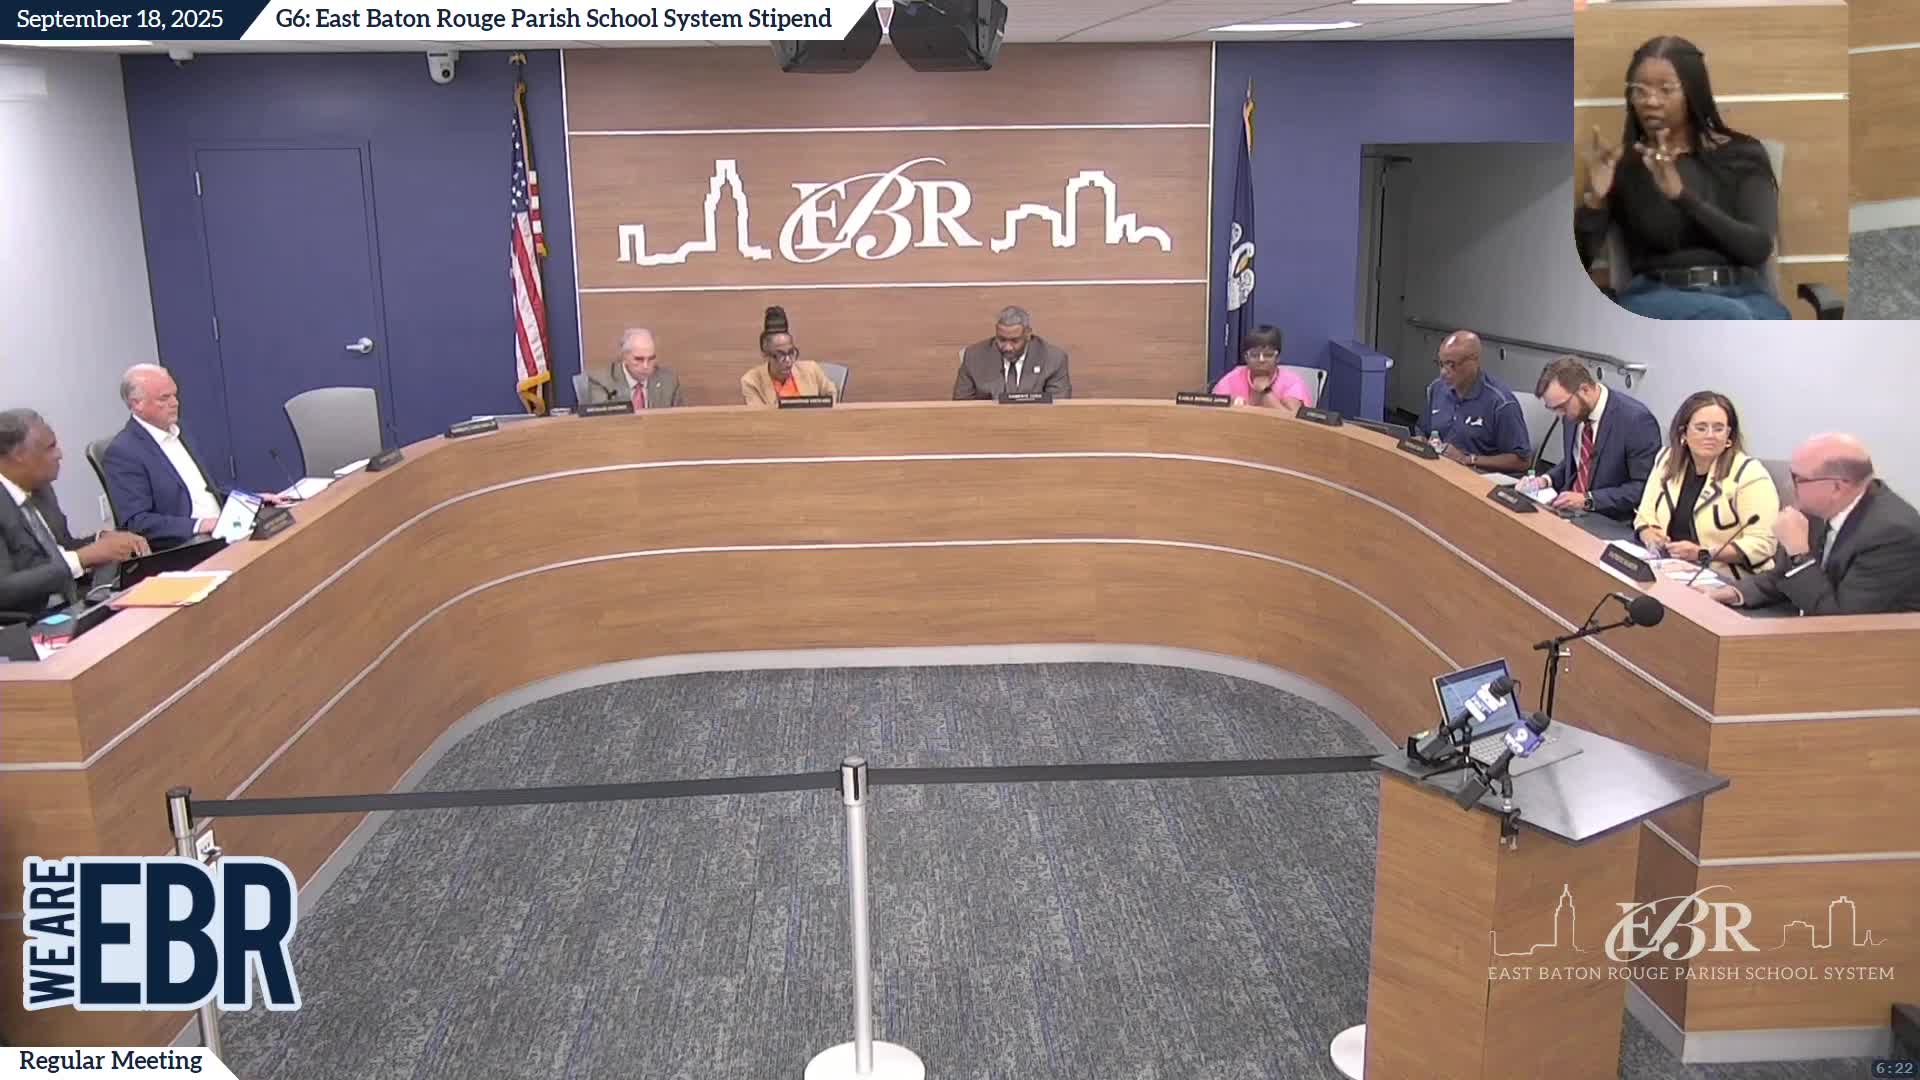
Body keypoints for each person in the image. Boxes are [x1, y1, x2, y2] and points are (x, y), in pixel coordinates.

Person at [1575, 36, 1789, 321]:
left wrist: (1682, 196)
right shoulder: (1624, 164)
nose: (1651, 101)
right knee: (1729, 318)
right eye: (1640, 91)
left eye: (1665, 90)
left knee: (1764, 321)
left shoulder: (1741, 154)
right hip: (1656, 296)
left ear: (1693, 91)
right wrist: (1595, 198)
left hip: (1743, 293)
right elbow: (1580, 260)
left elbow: (1757, 249)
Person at [1703, 434, 1920, 615]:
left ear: (1837, 488)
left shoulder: (1893, 533)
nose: (1789, 485)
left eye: (1797, 478)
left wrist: (1799, 554)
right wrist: (1733, 592)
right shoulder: (1818, 510)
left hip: (1873, 646)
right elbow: (1783, 578)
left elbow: (1841, 618)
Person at [0, 409, 149, 617]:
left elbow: (60, 549)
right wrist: (83, 557)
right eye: (50, 447)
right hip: (26, 623)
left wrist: (101, 541)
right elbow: (4, 588)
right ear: (18, 455)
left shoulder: (39, 487)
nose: (59, 454)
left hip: (72, 603)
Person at [1632, 391, 1778, 578]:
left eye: (1718, 429)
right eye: (1701, 428)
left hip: (1729, 579)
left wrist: (1702, 553)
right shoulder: (1667, 460)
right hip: (1670, 568)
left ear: (1729, 435)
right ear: (1683, 433)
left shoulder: (1749, 474)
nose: (1710, 436)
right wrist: (1648, 534)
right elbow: (1644, 514)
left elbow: (1763, 543)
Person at [101, 364, 229, 549]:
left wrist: (249, 500)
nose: (175, 403)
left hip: (222, 529)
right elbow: (138, 522)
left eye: (174, 395)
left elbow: (203, 490)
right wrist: (199, 525)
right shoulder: (123, 453)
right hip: (186, 544)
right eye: (164, 398)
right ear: (137, 404)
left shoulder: (181, 431)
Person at [1519, 357, 1660, 520]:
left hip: (1608, 518)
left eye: (1562, 407)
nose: (1560, 415)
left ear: (1584, 390)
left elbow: (1644, 488)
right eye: (1554, 409)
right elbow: (1577, 462)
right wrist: (1545, 480)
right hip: (1567, 511)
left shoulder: (1636, 420)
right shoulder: (1572, 413)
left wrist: (1588, 500)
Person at [1413, 331, 1531, 473]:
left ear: (1474, 361)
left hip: (1476, 476)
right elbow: (1424, 431)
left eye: (1451, 364)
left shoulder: (1501, 403)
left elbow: (1522, 461)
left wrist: (1468, 459)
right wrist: (1420, 441)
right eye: (1441, 364)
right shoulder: (1436, 388)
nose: (1443, 372)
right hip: (1439, 469)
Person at [951, 306, 1072, 400]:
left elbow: (1058, 408)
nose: (1007, 347)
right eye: (1002, 339)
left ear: (1028, 334)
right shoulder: (974, 357)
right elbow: (961, 406)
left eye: (1014, 341)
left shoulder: (1053, 359)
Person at [741, 306, 838, 406]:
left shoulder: (811, 370)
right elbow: (759, 414)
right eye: (780, 355)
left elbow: (831, 393)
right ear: (766, 355)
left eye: (791, 353)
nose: (788, 360)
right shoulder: (752, 381)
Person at [1211, 326, 1314, 413]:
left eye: (1268, 355)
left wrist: (1266, 392)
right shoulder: (1232, 378)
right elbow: (1213, 412)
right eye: (1255, 355)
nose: (1261, 360)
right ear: (1246, 358)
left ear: (1278, 358)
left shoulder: (1292, 383)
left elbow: (1293, 423)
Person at [587, 328, 684, 409]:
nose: (646, 366)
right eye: (639, 359)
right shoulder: (601, 381)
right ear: (624, 357)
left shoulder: (669, 382)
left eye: (651, 359)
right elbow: (601, 420)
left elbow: (679, 420)